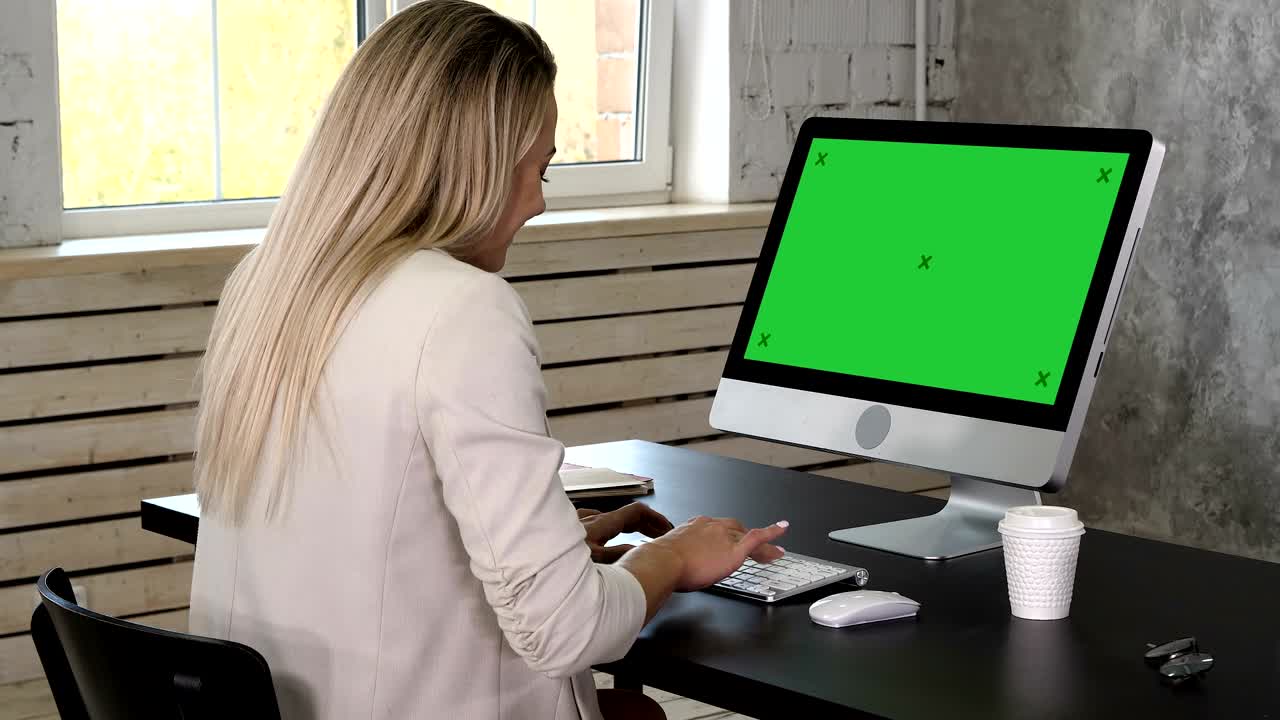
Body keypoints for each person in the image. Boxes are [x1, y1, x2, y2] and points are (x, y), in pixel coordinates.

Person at [188, 2, 787, 719]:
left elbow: (359, 542)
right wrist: (671, 558)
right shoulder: (461, 307)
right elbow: (567, 633)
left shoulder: (266, 283)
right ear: (470, 166)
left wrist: (555, 552)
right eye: (536, 169)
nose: (537, 201)